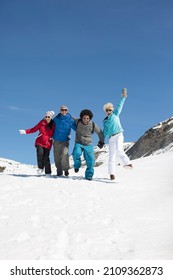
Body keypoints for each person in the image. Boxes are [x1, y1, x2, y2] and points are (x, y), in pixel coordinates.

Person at [103, 88, 133, 180]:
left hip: (119, 134)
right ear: (105, 111)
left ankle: (128, 163)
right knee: (112, 155)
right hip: (111, 138)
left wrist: (123, 97)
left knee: (119, 150)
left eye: (110, 110)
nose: (108, 111)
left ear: (112, 110)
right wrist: (101, 140)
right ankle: (111, 174)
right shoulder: (105, 121)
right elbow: (105, 131)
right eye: (107, 110)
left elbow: (120, 105)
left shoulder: (115, 114)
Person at [19, 111, 55, 177]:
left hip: (48, 143)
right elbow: (34, 129)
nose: (47, 118)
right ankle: (40, 167)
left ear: (51, 118)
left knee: (46, 158)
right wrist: (25, 132)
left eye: (48, 117)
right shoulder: (41, 123)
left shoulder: (53, 125)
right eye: (46, 116)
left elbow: (56, 133)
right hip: (39, 142)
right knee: (40, 154)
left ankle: (48, 172)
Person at [72, 109, 104, 180]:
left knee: (91, 160)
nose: (85, 120)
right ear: (81, 117)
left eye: (87, 118)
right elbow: (71, 118)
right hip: (79, 143)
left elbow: (99, 132)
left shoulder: (93, 124)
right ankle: (77, 166)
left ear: (90, 118)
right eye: (84, 118)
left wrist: (101, 141)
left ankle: (89, 175)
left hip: (88, 144)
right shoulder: (78, 121)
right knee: (76, 153)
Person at [53, 105, 76, 177]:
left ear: (67, 111)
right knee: (56, 156)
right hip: (56, 140)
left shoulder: (70, 120)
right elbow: (50, 126)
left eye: (65, 110)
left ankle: (66, 169)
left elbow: (77, 129)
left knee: (64, 153)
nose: (64, 111)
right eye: (62, 110)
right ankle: (59, 171)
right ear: (60, 110)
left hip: (65, 140)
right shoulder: (56, 119)